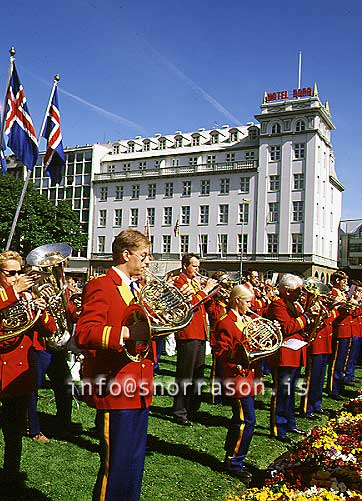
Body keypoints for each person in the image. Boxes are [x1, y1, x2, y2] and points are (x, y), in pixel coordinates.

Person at [74, 229, 153, 501]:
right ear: (125, 254)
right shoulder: (101, 285)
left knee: (134, 463)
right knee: (115, 465)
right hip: (115, 387)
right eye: (143, 255)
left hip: (140, 388)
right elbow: (85, 332)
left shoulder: (140, 288)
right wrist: (127, 334)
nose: (147, 261)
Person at [0, 251, 56, 485]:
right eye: (10, 273)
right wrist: (14, 291)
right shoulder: (8, 295)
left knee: (14, 433)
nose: (16, 277)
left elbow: (49, 330)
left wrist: (40, 311)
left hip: (18, 372)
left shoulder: (24, 297)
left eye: (18, 272)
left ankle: (11, 476)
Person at [214, 284, 261, 484]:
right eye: (248, 301)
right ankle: (235, 462)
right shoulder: (225, 322)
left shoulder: (246, 320)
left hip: (246, 378)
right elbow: (221, 352)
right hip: (235, 378)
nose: (251, 305)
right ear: (237, 301)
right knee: (246, 421)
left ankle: (231, 456)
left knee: (241, 420)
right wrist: (240, 359)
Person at [171, 254, 218, 426]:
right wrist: (204, 291)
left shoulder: (195, 283)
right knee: (185, 374)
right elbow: (189, 304)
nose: (198, 270)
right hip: (188, 332)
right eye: (195, 266)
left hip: (200, 332)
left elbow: (206, 305)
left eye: (198, 267)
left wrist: (212, 292)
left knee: (198, 374)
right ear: (185, 266)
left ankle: (192, 408)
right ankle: (179, 410)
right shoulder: (179, 282)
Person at [267, 273, 313, 443]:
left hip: (296, 352)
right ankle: (278, 427)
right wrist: (306, 317)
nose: (300, 293)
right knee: (282, 392)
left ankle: (289, 422)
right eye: (297, 290)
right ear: (286, 291)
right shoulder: (278, 304)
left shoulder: (294, 304)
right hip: (284, 355)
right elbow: (287, 327)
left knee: (290, 392)